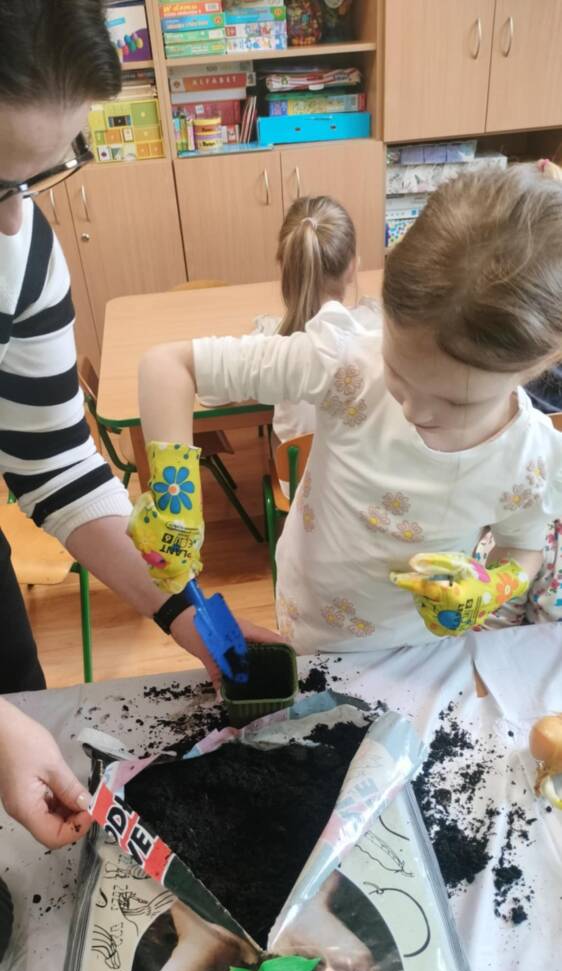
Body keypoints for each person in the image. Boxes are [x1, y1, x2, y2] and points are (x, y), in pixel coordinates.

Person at [0, 0, 275, 850]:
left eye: (35, 177)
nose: (13, 222)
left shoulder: (22, 252)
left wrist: (190, 613)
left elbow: (55, 465)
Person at [131, 164, 562, 659]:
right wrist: (175, 497)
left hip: (422, 651)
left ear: (539, 363)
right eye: (398, 370)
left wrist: (493, 586)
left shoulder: (532, 458)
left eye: (457, 401)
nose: (414, 409)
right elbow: (168, 366)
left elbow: (522, 549)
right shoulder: (344, 364)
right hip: (310, 623)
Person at [199, 196, 381, 498]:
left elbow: (209, 396)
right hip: (363, 485)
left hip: (300, 486)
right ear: (353, 266)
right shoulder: (378, 326)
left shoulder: (277, 343)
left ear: (283, 267)